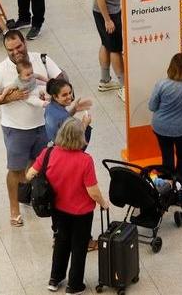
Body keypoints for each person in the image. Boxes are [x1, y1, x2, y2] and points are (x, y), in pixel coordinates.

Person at [0, 30, 64, 227]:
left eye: (18, 46)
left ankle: (36, 198)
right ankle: (14, 209)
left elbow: (60, 81)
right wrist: (11, 97)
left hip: (43, 127)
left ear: (24, 42)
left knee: (40, 167)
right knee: (16, 171)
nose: (15, 52)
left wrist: (51, 94)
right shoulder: (1, 70)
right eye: (10, 49)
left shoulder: (41, 60)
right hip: (16, 129)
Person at [28, 119, 109, 294]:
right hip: (81, 212)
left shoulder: (48, 153)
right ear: (80, 138)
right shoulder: (85, 160)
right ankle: (74, 285)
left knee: (61, 242)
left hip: (57, 209)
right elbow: (92, 191)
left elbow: (30, 174)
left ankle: (54, 279)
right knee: (79, 247)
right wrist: (103, 203)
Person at [147, 53, 182, 204]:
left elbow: (152, 106)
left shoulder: (161, 84)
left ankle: (167, 194)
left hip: (161, 128)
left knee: (166, 158)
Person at [44, 79, 93, 145]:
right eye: (64, 95)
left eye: (70, 93)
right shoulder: (64, 117)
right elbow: (74, 138)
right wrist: (85, 124)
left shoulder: (49, 107)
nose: (69, 97)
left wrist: (74, 109)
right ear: (55, 97)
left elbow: (62, 121)